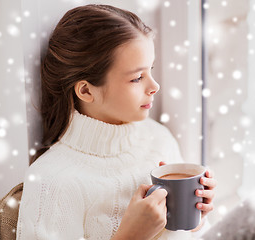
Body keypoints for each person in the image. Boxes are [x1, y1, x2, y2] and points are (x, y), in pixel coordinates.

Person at [16, 4, 216, 240]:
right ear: (86, 91)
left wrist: (195, 219)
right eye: (137, 78)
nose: (154, 86)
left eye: (150, 70)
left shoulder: (158, 138)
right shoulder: (53, 182)